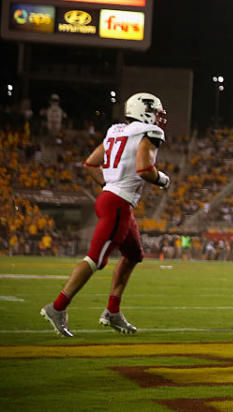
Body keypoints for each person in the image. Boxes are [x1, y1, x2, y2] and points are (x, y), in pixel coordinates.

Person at [40, 93, 170, 337]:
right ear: (145, 111)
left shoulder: (116, 131)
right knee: (95, 260)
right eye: (156, 113)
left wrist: (108, 185)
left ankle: (112, 311)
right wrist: (163, 180)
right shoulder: (150, 133)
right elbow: (144, 169)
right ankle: (57, 307)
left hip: (112, 199)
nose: (159, 118)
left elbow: (90, 163)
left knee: (134, 255)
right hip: (118, 203)